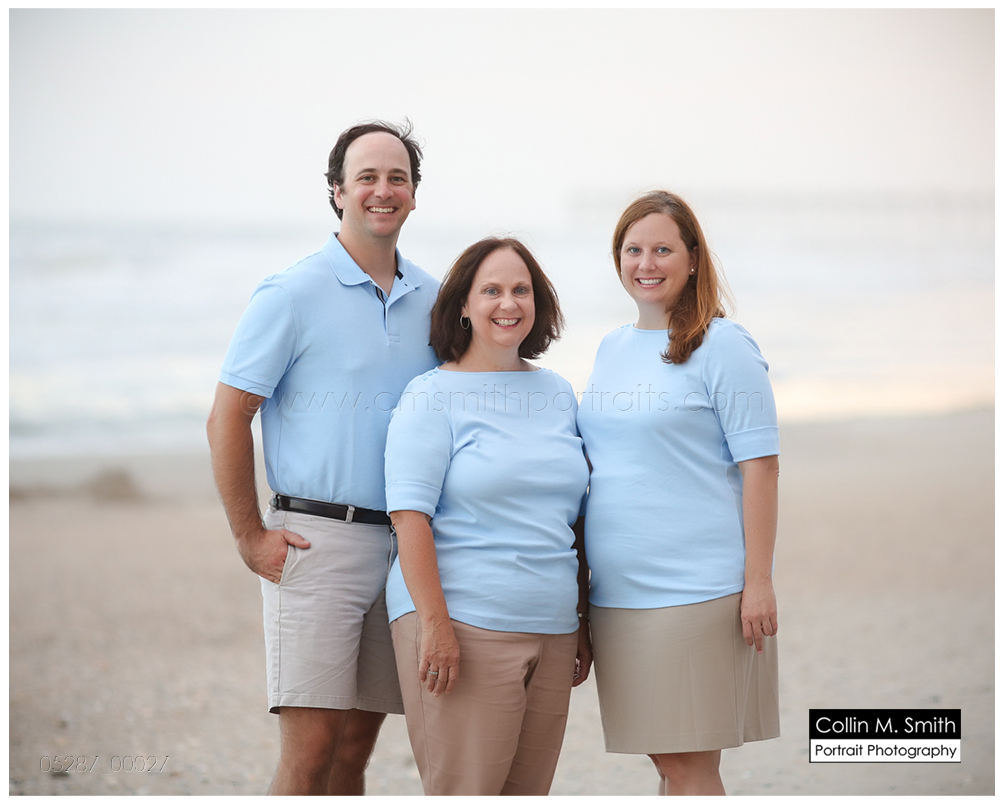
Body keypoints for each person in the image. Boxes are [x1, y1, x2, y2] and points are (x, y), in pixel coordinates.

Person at [205, 120, 439, 795]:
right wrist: (250, 535)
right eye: (366, 177)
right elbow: (228, 416)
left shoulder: (435, 298)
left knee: (353, 758)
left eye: (397, 177)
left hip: (403, 547)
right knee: (309, 757)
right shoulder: (291, 293)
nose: (382, 190)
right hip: (316, 542)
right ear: (337, 191)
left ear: (414, 193)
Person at [577, 191, 780, 795]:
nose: (646, 263)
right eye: (633, 249)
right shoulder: (611, 347)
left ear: (693, 259)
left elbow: (762, 468)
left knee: (686, 765)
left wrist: (758, 582)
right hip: (618, 596)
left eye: (663, 249)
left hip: (696, 590)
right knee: (671, 764)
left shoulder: (725, 344)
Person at [383, 237, 592, 795]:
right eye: (491, 290)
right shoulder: (431, 396)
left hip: (553, 628)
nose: (508, 303)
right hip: (465, 625)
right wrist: (436, 627)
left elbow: (572, 522)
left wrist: (581, 619)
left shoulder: (557, 394)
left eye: (521, 290)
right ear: (463, 305)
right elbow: (409, 518)